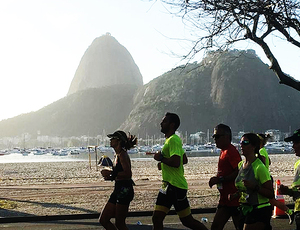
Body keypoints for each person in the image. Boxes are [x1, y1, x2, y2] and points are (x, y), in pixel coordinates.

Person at [152, 112, 208, 230]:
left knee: (184, 221)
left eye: (164, 121)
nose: (161, 123)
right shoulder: (172, 140)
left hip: (174, 186)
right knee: (182, 220)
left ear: (172, 125)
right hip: (170, 186)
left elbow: (177, 162)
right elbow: (184, 159)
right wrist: (163, 164)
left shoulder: (173, 140)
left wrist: (161, 158)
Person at [233, 133, 274, 230]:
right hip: (245, 208)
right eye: (240, 142)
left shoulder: (259, 167)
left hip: (260, 209)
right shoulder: (241, 165)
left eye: (245, 142)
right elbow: (245, 188)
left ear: (254, 146)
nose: (241, 145)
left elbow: (270, 193)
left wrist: (255, 187)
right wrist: (236, 194)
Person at [99, 130, 137, 230]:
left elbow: (128, 174)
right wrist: (110, 176)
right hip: (118, 189)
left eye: (113, 138)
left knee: (120, 223)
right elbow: (119, 175)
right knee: (103, 220)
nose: (111, 140)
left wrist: (111, 173)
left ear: (119, 141)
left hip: (125, 190)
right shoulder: (117, 155)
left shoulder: (123, 155)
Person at [209, 124, 241, 230]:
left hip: (234, 199)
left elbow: (239, 171)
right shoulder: (223, 151)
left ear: (227, 137)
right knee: (216, 227)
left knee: (240, 227)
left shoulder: (231, 151)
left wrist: (220, 179)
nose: (215, 139)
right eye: (214, 137)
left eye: (217, 136)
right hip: (225, 199)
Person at [257, 133, 294, 224]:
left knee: (271, 201)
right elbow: (269, 162)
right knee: (270, 201)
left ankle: (289, 211)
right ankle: (288, 211)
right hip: (266, 177)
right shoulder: (263, 150)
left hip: (264, 179)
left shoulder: (260, 151)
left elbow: (264, 162)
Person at [279, 129, 300, 230]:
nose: (293, 146)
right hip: (298, 210)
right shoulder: (298, 164)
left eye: (296, 142)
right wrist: (288, 191)